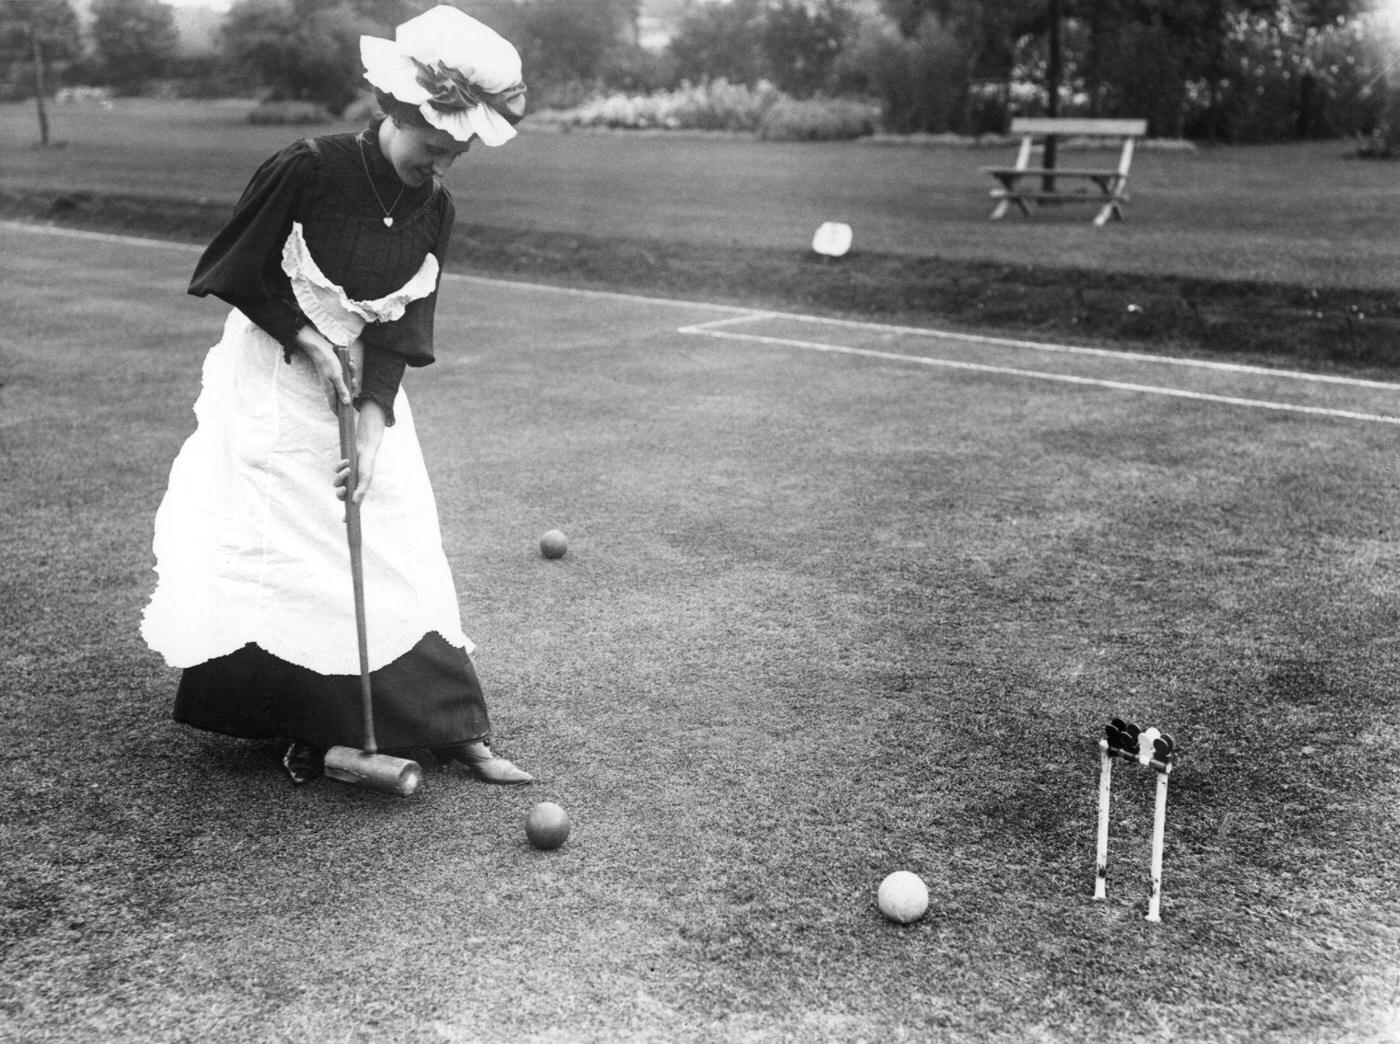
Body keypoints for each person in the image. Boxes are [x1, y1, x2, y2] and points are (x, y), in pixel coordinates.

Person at [141, 6, 533, 787]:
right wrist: (308, 338)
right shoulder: (309, 167)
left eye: (458, 152)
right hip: (273, 380)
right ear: (396, 110)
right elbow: (232, 268)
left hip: (364, 391)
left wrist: (373, 430)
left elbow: (402, 330)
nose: (443, 162)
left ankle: (453, 726)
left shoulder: (435, 208)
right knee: (288, 541)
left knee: (398, 536)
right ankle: (302, 723)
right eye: (435, 144)